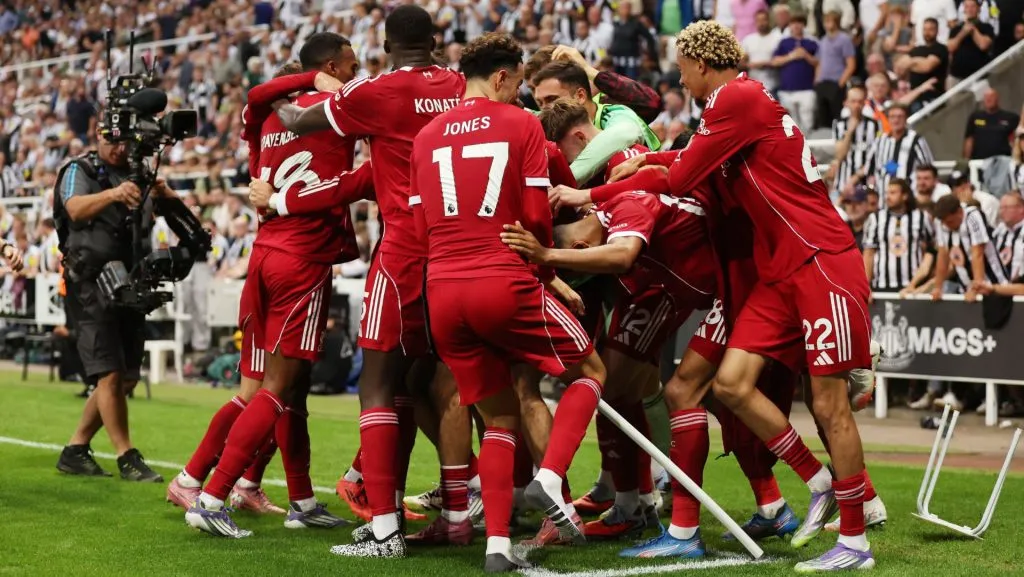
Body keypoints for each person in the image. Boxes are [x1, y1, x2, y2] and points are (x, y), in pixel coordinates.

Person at [608, 20, 877, 571]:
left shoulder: (735, 98)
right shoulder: (737, 108)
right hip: (778, 272)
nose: (679, 81)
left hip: (819, 259)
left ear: (701, 64)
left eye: (682, 70)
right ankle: (818, 481)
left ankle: (855, 540)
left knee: (829, 403)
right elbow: (687, 164)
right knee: (730, 384)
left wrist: (604, 185)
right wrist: (649, 163)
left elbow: (682, 177)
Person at [273, 5, 467, 558]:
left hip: (403, 251)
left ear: (384, 46)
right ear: (435, 39)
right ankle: (446, 510)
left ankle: (385, 531)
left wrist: (286, 88)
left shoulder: (375, 90)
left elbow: (295, 121)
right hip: (457, 250)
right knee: (429, 384)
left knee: (377, 385)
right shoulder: (459, 86)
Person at [411, 32, 606, 572]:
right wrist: (547, 270)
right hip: (500, 279)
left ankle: (497, 546)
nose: (519, 93)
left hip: (442, 290)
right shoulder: (521, 125)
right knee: (591, 369)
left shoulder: (426, 136)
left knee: (498, 415)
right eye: (518, 83)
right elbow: (536, 216)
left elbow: (421, 223)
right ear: (501, 76)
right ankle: (551, 478)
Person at [180, 33, 361, 539]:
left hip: (263, 256)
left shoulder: (265, 118)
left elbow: (256, 95)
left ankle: (300, 499)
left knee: (291, 389)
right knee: (274, 389)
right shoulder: (336, 110)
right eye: (351, 65)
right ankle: (213, 495)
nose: (356, 73)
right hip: (303, 260)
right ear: (330, 67)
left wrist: (306, 80)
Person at [53, 128, 176, 482]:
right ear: (98, 134)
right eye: (113, 141)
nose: (120, 149)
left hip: (130, 281)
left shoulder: (139, 173)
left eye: (126, 143)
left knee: (127, 377)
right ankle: (126, 456)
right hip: (89, 282)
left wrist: (164, 194)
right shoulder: (79, 169)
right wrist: (113, 194)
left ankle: (75, 449)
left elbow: (161, 213)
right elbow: (74, 208)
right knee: (108, 371)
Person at [930, 193, 1009, 302]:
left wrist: (976, 288)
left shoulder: (973, 216)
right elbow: (942, 255)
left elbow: (977, 254)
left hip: (993, 284)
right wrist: (938, 287)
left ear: (959, 212)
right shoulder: (940, 222)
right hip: (965, 289)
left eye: (950, 222)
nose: (947, 226)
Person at [862, 178, 935, 292]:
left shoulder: (921, 217)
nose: (888, 197)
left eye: (893, 193)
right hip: (882, 285)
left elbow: (930, 251)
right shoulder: (875, 218)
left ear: (904, 196)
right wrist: (866, 286)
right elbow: (868, 254)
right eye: (887, 193)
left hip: (913, 287)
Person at [772, 15, 819, 134]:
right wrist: (792, 56)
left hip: (807, 89)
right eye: (793, 23)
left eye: (799, 23)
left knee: (808, 122)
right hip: (787, 90)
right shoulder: (784, 43)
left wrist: (805, 55)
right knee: (790, 124)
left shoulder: (811, 42)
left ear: (804, 25)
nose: (796, 26)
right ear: (790, 26)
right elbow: (775, 62)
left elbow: (819, 62)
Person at [831, 85, 881, 198]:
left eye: (860, 102)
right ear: (846, 103)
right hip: (842, 185)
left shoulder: (874, 124)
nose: (857, 105)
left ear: (864, 103)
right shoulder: (839, 124)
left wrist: (856, 177)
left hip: (867, 185)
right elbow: (839, 155)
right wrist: (849, 131)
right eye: (853, 101)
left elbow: (876, 155)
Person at [814, 12, 857, 129]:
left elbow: (851, 64)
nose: (827, 24)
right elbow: (820, 62)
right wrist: (817, 80)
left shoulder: (844, 39)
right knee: (822, 117)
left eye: (830, 21)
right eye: (825, 21)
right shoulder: (823, 40)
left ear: (836, 22)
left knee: (837, 115)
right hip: (822, 83)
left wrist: (840, 83)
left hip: (836, 82)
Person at [963, 88, 1021, 160]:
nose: (988, 99)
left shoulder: (1011, 117)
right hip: (979, 161)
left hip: (1004, 160)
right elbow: (969, 140)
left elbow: (1019, 139)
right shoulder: (975, 117)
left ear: (997, 99)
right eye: (986, 97)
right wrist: (966, 160)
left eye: (991, 97)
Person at [948, 0, 996, 86]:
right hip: (957, 77)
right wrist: (963, 33)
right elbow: (950, 47)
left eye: (973, 6)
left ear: (979, 9)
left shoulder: (987, 27)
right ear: (964, 10)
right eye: (967, 7)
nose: (970, 9)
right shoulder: (956, 29)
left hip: (980, 76)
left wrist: (973, 29)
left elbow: (983, 45)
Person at [907, 18, 949, 109]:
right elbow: (900, 67)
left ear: (937, 31)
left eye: (931, 29)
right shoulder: (916, 50)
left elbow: (927, 67)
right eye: (925, 29)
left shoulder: (941, 48)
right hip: (914, 97)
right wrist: (919, 62)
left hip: (934, 98)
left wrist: (912, 63)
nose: (927, 32)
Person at [740, 9, 782, 94]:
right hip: (753, 87)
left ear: (769, 21)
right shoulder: (748, 39)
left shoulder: (778, 38)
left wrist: (764, 64)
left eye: (764, 20)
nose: (761, 23)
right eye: (758, 21)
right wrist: (749, 65)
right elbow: (741, 63)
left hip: (773, 86)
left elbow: (781, 61)